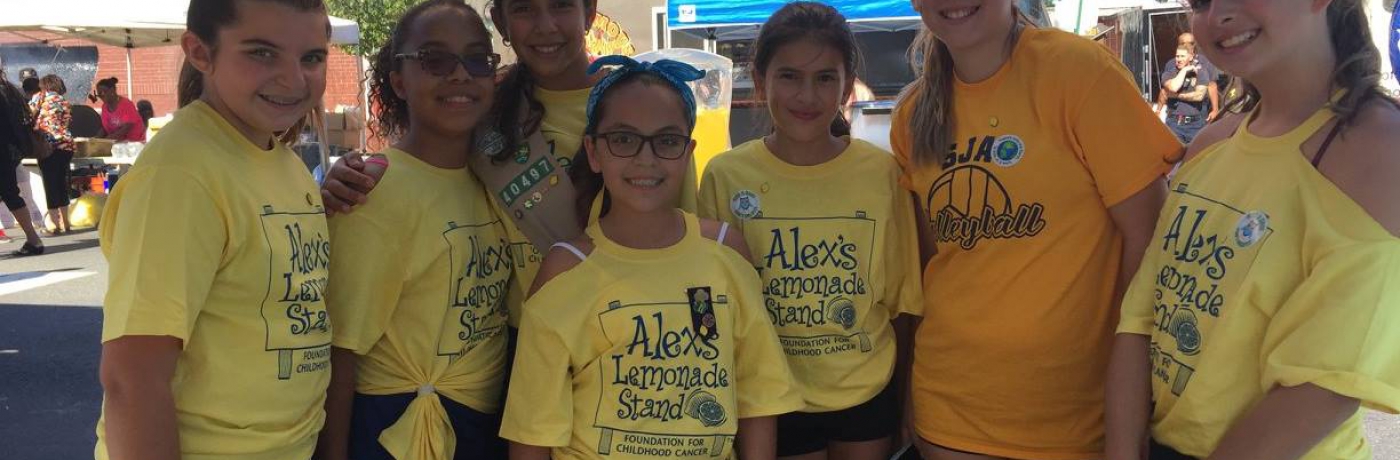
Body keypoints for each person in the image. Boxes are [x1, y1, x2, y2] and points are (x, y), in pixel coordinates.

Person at [320, 0, 703, 357]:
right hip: (525, 348)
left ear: (589, 13)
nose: (545, 25)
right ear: (501, 23)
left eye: (561, 5)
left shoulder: (642, 107)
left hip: (638, 339)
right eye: (523, 9)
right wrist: (346, 178)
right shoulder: (482, 110)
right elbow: (422, 168)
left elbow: (692, 248)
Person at [1106, 0, 1400, 458]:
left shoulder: (1380, 152)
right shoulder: (1210, 145)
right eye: (1200, 2)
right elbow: (1140, 319)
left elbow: (1324, 388)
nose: (1217, 15)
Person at [892, 0, 1181, 458]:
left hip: (1076, 420)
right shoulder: (912, 114)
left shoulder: (1078, 70)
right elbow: (933, 268)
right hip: (947, 413)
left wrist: (1133, 397)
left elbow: (1150, 240)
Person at [500, 56, 804, 460]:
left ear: (688, 151)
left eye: (667, 141)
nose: (646, 158)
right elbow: (533, 426)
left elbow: (758, 395)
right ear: (594, 151)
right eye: (624, 139)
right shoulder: (567, 268)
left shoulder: (724, 252)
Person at [94, 1, 334, 459]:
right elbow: (132, 377)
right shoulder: (179, 175)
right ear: (200, 52)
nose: (294, 79)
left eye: (312, 57)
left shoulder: (280, 160)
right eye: (262, 53)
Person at [697, 4, 923, 460]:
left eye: (824, 78)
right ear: (760, 81)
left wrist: (906, 404)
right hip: (771, 399)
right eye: (789, 76)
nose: (807, 95)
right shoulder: (725, 176)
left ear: (847, 86)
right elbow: (708, 305)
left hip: (866, 394)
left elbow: (903, 307)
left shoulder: (881, 173)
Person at [317, 2, 512, 459]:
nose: (460, 74)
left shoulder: (495, 179)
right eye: (435, 60)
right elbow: (340, 351)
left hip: (480, 424)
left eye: (477, 59)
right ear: (399, 81)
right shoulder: (373, 191)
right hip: (397, 430)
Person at [0, 67, 44, 255]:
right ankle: (33, 239)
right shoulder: (9, 90)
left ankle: (34, 240)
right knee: (11, 194)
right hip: (9, 151)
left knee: (10, 194)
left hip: (4, 150)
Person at [29, 74, 74, 235]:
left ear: (44, 85)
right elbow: (66, 122)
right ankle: (66, 222)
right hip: (66, 145)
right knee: (61, 182)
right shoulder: (64, 101)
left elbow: (28, 115)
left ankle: (54, 224)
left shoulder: (39, 97)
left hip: (48, 145)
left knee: (50, 184)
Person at [1155, 32, 1221, 126]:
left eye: (1190, 43)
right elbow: (1165, 90)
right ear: (1178, 44)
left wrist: (1215, 110)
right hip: (1175, 114)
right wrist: (1158, 110)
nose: (1187, 45)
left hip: (1198, 113)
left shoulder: (1205, 62)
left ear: (1195, 44)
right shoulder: (1171, 64)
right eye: (1183, 43)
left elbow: (1212, 86)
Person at [1159, 45, 1216, 144]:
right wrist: (1185, 70)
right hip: (1174, 124)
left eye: (1182, 56)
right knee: (1175, 152)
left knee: (1197, 152)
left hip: (1196, 125)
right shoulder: (1169, 73)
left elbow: (1199, 96)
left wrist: (1176, 96)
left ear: (1191, 57)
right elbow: (1173, 87)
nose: (1179, 59)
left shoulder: (1201, 72)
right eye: (1177, 56)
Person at [94, 77, 147, 142]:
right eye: (99, 94)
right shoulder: (104, 107)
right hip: (116, 142)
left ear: (112, 90)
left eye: (103, 93)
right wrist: (96, 139)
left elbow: (126, 128)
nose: (101, 96)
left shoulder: (126, 104)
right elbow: (104, 127)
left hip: (134, 143)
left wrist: (106, 140)